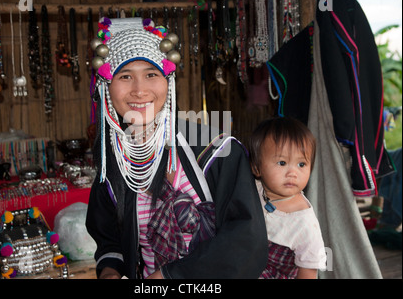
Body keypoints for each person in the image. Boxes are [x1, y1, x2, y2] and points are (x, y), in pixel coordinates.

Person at [85, 17, 268, 279]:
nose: (139, 90)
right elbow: (109, 239)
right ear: (106, 87)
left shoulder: (218, 151)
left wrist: (172, 276)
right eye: (125, 76)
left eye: (151, 74)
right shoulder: (114, 163)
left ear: (168, 82)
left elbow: (246, 240)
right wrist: (110, 271)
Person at [248, 116, 326, 279]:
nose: (293, 173)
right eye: (282, 163)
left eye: (301, 164)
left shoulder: (304, 222)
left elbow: (309, 270)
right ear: (257, 168)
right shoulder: (253, 188)